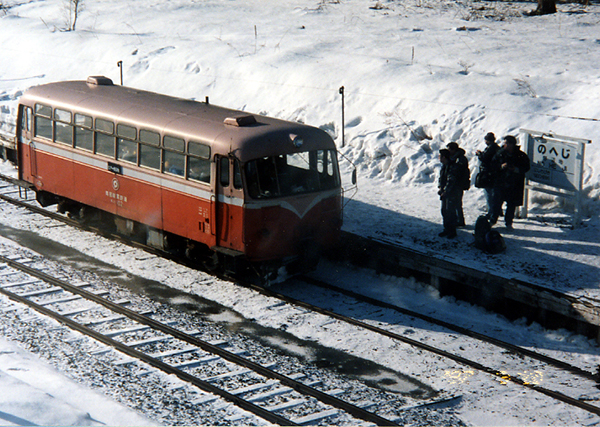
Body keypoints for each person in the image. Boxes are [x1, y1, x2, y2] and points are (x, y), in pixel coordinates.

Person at [489, 135, 531, 229]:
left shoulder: (520, 155)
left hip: (514, 184)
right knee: (496, 203)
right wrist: (501, 166)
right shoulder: (500, 154)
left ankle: (508, 222)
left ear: (512, 144)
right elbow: (492, 165)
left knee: (511, 205)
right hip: (500, 182)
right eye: (505, 143)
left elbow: (526, 167)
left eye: (507, 143)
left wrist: (515, 169)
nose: (505, 145)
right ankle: (493, 220)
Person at [437, 148, 462, 238]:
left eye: (440, 156)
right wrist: (440, 187)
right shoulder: (444, 166)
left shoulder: (452, 166)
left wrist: (446, 191)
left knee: (451, 212)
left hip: (452, 193)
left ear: (444, 157)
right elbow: (442, 178)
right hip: (445, 193)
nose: (439, 158)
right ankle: (446, 229)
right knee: (444, 211)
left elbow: (451, 181)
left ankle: (452, 231)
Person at [475, 132, 500, 218]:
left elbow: (485, 158)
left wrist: (479, 154)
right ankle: (496, 210)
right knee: (494, 194)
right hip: (496, 174)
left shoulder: (490, 149)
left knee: (489, 194)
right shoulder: (497, 148)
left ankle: (491, 212)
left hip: (489, 174)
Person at [446, 142, 470, 227]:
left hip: (458, 184)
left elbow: (459, 171)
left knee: (457, 203)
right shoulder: (456, 158)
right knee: (456, 203)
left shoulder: (460, 159)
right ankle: (458, 219)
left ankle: (460, 220)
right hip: (457, 183)